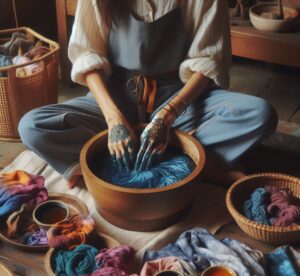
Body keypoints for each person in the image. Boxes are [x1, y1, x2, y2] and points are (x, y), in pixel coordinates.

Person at [18, 0, 277, 188]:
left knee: (260, 114)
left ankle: (140, 158)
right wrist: (114, 121)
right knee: (32, 126)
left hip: (179, 99)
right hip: (116, 97)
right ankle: (191, 160)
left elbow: (208, 61)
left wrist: (165, 117)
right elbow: (87, 58)